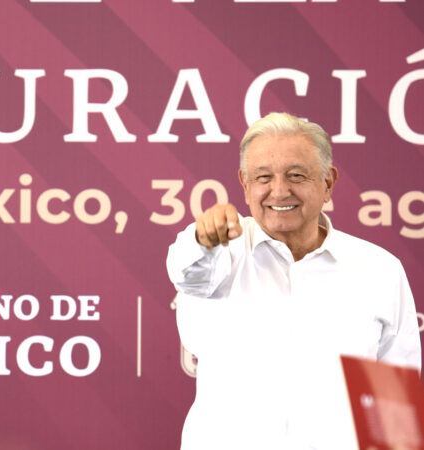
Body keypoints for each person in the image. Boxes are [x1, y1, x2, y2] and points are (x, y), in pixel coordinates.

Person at [167, 112, 421, 449]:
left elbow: (395, 411)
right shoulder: (219, 252)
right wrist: (204, 238)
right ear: (245, 185)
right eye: (263, 177)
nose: (279, 190)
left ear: (328, 182)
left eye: (296, 175)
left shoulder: (379, 269)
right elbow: (189, 273)